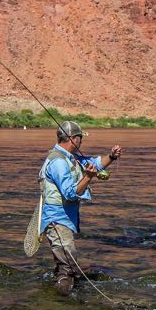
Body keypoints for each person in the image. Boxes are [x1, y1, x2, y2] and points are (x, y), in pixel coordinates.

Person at [38, 120, 122, 296]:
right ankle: (61, 304)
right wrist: (88, 177)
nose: (82, 142)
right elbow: (69, 193)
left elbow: (95, 163)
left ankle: (58, 295)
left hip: (65, 218)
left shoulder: (71, 158)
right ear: (73, 139)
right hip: (56, 219)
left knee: (66, 264)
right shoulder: (58, 162)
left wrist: (111, 156)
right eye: (80, 138)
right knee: (68, 265)